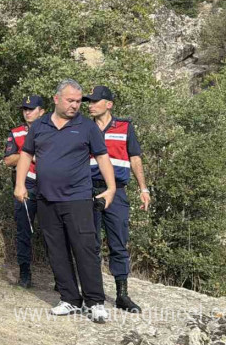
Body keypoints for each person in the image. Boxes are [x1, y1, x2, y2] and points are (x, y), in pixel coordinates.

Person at [14, 79, 116, 324]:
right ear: (56, 98)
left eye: (79, 101)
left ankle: (95, 302)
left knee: (85, 250)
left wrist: (111, 188)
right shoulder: (38, 126)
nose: (75, 105)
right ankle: (69, 298)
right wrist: (19, 185)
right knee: (56, 250)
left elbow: (102, 157)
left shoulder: (86, 127)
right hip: (46, 198)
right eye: (70, 100)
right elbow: (26, 154)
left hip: (78, 199)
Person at [84, 85, 150, 313]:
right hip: (88, 190)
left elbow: (135, 158)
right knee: (89, 245)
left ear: (108, 104)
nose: (90, 105)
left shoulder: (125, 127)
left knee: (118, 244)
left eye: (94, 101)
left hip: (118, 193)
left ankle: (122, 295)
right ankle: (92, 294)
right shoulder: (83, 127)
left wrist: (144, 189)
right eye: (88, 102)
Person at [2, 95, 45, 288]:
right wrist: (29, 157)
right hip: (25, 185)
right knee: (23, 231)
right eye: (24, 109)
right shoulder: (16, 132)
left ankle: (61, 278)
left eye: (31, 108)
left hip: (49, 185)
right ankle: (25, 274)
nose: (27, 112)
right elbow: (8, 160)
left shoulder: (52, 130)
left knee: (54, 232)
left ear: (42, 111)